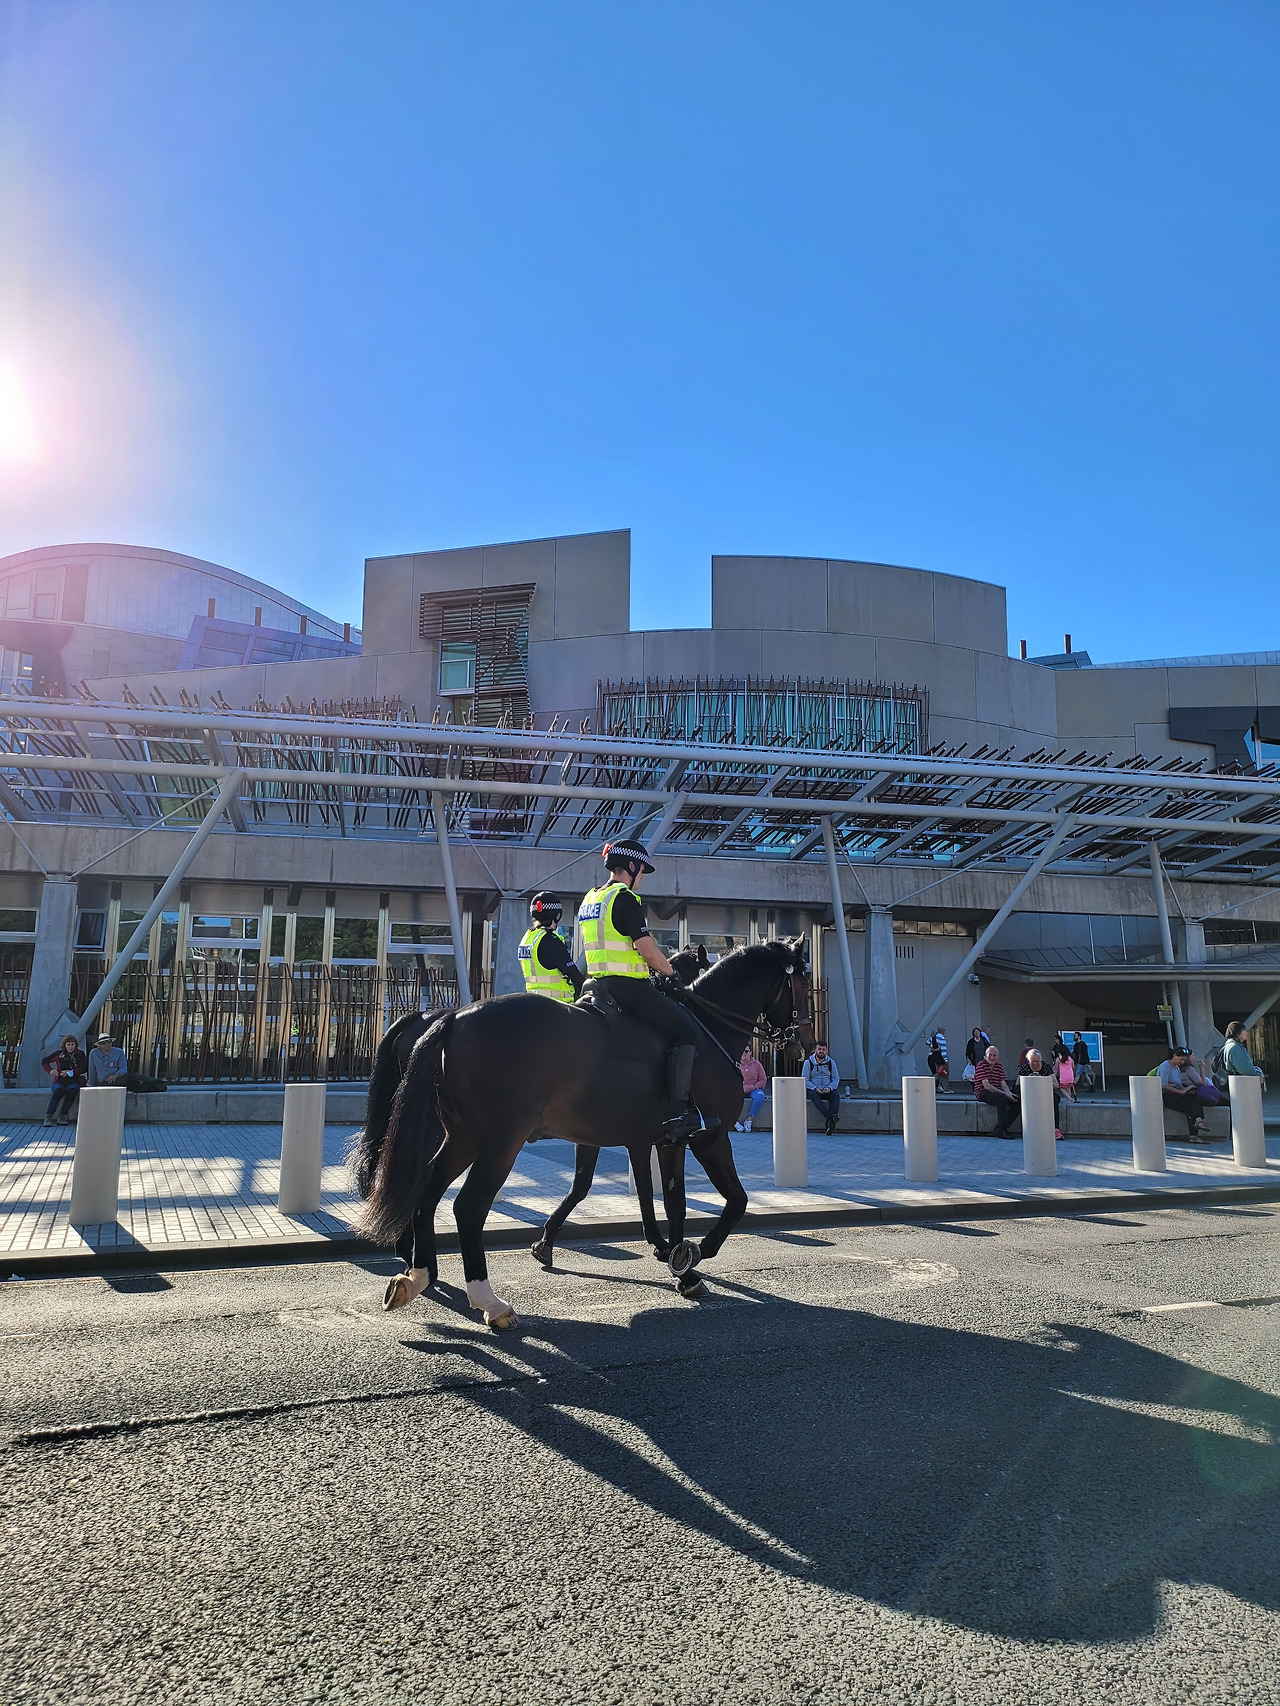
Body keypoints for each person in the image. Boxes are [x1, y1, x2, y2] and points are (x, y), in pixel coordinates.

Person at [577, 840, 710, 1139]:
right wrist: (671, 972)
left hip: (595, 984)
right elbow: (646, 950)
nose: (642, 879)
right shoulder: (624, 898)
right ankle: (679, 1112)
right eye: (642, 872)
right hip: (627, 987)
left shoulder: (591, 898)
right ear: (632, 866)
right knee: (686, 1032)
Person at [517, 892, 583, 1003]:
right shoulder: (550, 940)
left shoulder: (528, 939)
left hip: (533, 1000)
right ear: (557, 916)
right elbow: (573, 974)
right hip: (556, 1004)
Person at [1157, 1045, 1208, 1141]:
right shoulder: (1166, 1066)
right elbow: (1163, 1085)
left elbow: (1179, 1084)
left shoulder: (1176, 1068)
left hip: (1177, 1093)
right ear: (1174, 1056)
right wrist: (1181, 1091)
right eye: (1181, 1059)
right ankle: (1194, 1134)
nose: (1182, 1062)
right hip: (1167, 1095)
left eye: (1184, 1060)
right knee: (1189, 1106)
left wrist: (1186, 1089)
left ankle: (1199, 1120)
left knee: (1195, 1097)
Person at [974, 1044, 1020, 1137]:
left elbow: (1003, 1083)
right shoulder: (981, 1065)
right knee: (1001, 1098)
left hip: (996, 1092)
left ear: (998, 1056)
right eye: (990, 1055)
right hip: (983, 1092)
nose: (992, 1057)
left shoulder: (999, 1066)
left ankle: (1000, 1127)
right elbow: (987, 1086)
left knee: (1017, 1101)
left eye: (995, 1055)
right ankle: (1002, 1128)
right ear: (985, 1055)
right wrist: (1005, 1094)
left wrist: (1009, 1093)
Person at [41, 1034, 87, 1126]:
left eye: (72, 1044)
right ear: (64, 1046)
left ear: (76, 1045)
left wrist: (71, 1072)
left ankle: (63, 1116)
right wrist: (50, 1070)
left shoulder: (80, 1054)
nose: (70, 1047)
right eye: (68, 1044)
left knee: (72, 1092)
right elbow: (45, 1061)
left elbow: (84, 1068)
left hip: (74, 1080)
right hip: (59, 1081)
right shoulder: (59, 1054)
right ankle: (48, 1117)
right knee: (58, 1091)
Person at [1018, 1047, 1062, 1139]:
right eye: (1032, 1061)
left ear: (1041, 1060)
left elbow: (1056, 1085)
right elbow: (1018, 1084)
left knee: (1054, 1099)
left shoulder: (1046, 1067)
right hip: (1029, 1095)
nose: (1035, 1064)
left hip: (1044, 1094)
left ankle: (1055, 1128)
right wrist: (1029, 1079)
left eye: (1037, 1061)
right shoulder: (1024, 1068)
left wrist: (1042, 1080)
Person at [803, 1042, 841, 1134]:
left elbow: (836, 1078)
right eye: (819, 1049)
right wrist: (815, 1088)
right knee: (814, 1096)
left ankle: (830, 1122)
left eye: (823, 1049)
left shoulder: (831, 1062)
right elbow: (804, 1079)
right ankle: (830, 1116)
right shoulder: (808, 1063)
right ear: (815, 1050)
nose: (821, 1051)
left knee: (835, 1096)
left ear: (826, 1051)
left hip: (827, 1088)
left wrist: (830, 1088)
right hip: (813, 1089)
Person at [1223, 1020, 1267, 1092]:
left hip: (1236, 1084)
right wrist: (1257, 1075)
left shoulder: (1229, 1045)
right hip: (1243, 1085)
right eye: (1244, 1030)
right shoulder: (1235, 1047)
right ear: (1237, 1033)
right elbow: (1245, 1069)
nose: (1247, 1033)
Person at [734, 1047, 768, 1132]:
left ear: (750, 1053)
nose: (744, 1053)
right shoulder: (736, 1064)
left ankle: (749, 1120)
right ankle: (734, 1121)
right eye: (742, 1051)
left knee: (760, 1096)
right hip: (739, 1088)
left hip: (753, 1088)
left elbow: (763, 1079)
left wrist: (754, 1086)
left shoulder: (757, 1064)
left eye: (746, 1051)